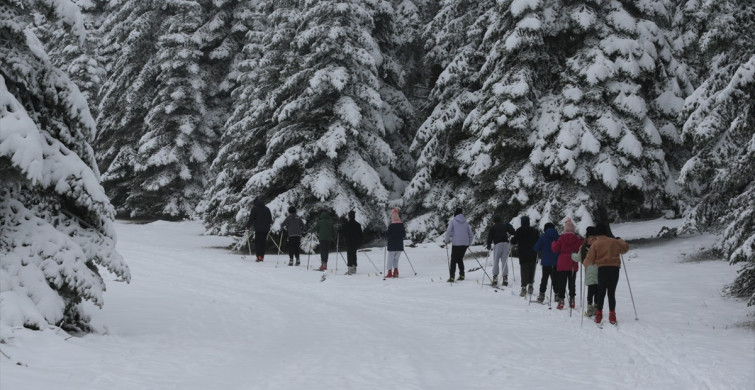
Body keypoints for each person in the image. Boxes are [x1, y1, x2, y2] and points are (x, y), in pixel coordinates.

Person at [583, 222, 629, 324]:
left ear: (597, 233)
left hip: (602, 269)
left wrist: (585, 263)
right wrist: (619, 239)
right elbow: (625, 248)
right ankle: (612, 315)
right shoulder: (614, 241)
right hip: (614, 269)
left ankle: (599, 315)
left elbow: (590, 259)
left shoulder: (596, 243)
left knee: (601, 292)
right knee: (611, 293)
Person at [551, 218, 584, 309]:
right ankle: (572, 299)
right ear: (573, 230)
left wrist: (553, 243)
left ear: (565, 229)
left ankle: (561, 301)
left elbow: (555, 249)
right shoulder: (577, 239)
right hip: (572, 262)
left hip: (562, 263)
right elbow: (581, 246)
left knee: (562, 282)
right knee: (572, 283)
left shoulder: (561, 238)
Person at [510, 215, 539, 296]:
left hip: (523, 254)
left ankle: (523, 287)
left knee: (524, 270)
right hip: (533, 253)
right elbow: (538, 240)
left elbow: (514, 241)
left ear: (522, 222)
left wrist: (511, 240)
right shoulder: (534, 230)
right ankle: (530, 285)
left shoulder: (519, 230)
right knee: (531, 269)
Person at [572, 226, 598, 316]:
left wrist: (572, 255)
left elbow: (577, 258)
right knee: (595, 289)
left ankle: (592, 306)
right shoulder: (596, 245)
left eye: (593, 238)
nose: (592, 239)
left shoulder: (584, 247)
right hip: (595, 271)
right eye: (591, 237)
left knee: (594, 290)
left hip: (594, 271)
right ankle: (594, 306)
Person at [444, 208, 474, 282]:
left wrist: (446, 240)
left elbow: (448, 231)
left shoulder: (453, 221)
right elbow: (471, 235)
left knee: (453, 260)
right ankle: (462, 275)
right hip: (464, 244)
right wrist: (468, 243)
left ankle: (452, 277)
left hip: (456, 244)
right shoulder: (466, 223)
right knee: (460, 259)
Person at [486, 215, 515, 286]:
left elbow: (490, 236)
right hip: (506, 244)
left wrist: (489, 244)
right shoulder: (504, 225)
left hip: (498, 244)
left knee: (496, 261)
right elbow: (513, 232)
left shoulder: (493, 227)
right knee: (504, 261)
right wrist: (509, 225)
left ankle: (495, 278)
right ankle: (505, 279)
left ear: (494, 221)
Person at [533, 222, 559, 303]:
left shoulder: (543, 236)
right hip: (556, 261)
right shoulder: (558, 237)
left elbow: (536, 248)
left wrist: (540, 248)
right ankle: (557, 294)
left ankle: (541, 294)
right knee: (555, 278)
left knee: (544, 278)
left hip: (546, 261)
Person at [245, 196, 272, 262]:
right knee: (263, 243)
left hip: (258, 228)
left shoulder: (254, 209)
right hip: (266, 229)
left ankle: (259, 256)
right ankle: (261, 257)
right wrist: (267, 225)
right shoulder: (267, 209)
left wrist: (247, 226)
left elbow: (251, 219)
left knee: (258, 243)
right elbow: (270, 219)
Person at [384, 208, 406, 278]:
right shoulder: (401, 225)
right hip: (399, 246)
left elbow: (387, 235)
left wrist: (387, 234)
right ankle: (396, 271)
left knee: (390, 259)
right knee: (396, 259)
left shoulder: (391, 226)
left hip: (392, 246)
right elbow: (404, 235)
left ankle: (389, 272)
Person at [343, 210, 363, 275]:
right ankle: (354, 267)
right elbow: (360, 234)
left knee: (349, 254)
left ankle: (350, 268)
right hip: (355, 242)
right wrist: (360, 242)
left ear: (349, 216)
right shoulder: (358, 224)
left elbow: (344, 233)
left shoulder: (346, 224)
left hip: (349, 242)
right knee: (354, 254)